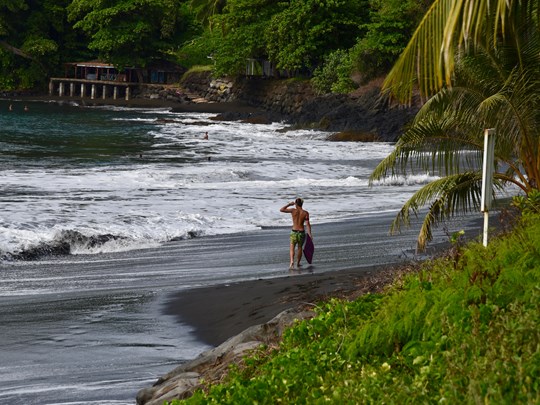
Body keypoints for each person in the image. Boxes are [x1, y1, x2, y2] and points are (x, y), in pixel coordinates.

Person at [280, 198, 312, 269]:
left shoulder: (293, 210)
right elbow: (307, 224)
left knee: (292, 247)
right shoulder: (305, 213)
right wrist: (310, 234)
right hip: (301, 233)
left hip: (294, 232)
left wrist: (289, 204)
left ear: (295, 204)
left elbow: (281, 209)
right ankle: (298, 263)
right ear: (302, 204)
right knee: (300, 247)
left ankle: (291, 261)